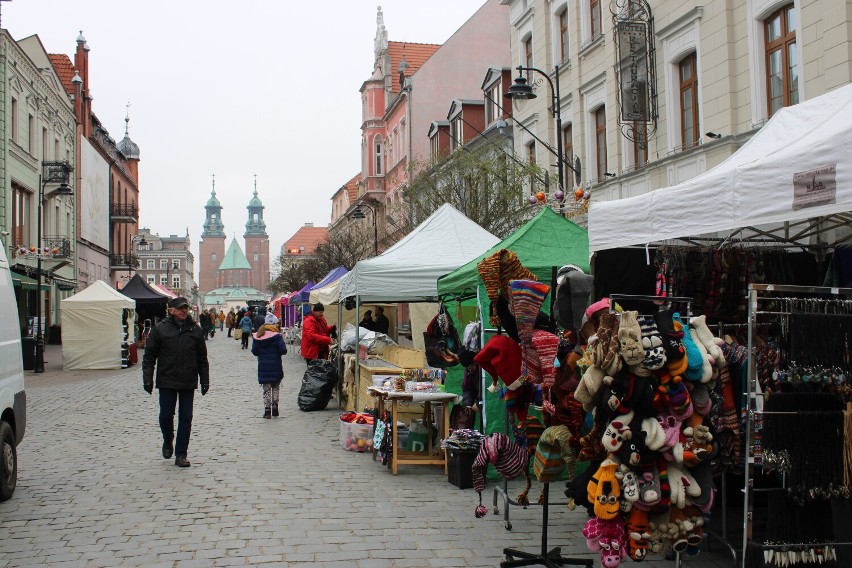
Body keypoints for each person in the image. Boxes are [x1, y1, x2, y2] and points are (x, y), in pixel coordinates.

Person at [142, 296, 209, 468]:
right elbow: (149, 356)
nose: (184, 311)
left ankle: (181, 454)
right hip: (166, 380)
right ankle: (167, 439)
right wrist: (147, 378)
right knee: (166, 416)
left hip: (188, 380)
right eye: (180, 308)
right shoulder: (161, 329)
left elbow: (202, 358)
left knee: (186, 418)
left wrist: (205, 379)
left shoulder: (195, 330)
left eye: (185, 308)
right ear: (171, 310)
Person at [251, 322, 288, 418]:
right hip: (276, 365)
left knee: (266, 388)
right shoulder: (277, 337)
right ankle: (275, 406)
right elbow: (284, 350)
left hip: (263, 366)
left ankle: (267, 410)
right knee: (275, 386)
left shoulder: (258, 337)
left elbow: (254, 352)